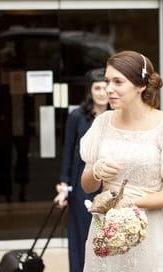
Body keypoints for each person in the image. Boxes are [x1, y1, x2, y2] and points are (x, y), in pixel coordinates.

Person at [80, 50, 163, 272]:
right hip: (104, 228)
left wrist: (130, 203)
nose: (109, 89)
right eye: (107, 82)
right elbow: (87, 186)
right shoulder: (102, 123)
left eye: (117, 82)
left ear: (140, 85)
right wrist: (96, 172)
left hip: (146, 232)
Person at [54, 68, 108, 272]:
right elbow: (68, 150)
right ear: (90, 90)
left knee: (107, 232)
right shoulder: (77, 116)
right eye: (97, 88)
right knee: (80, 232)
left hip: (109, 182)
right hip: (81, 180)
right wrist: (64, 183)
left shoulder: (117, 116)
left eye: (105, 87)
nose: (102, 92)